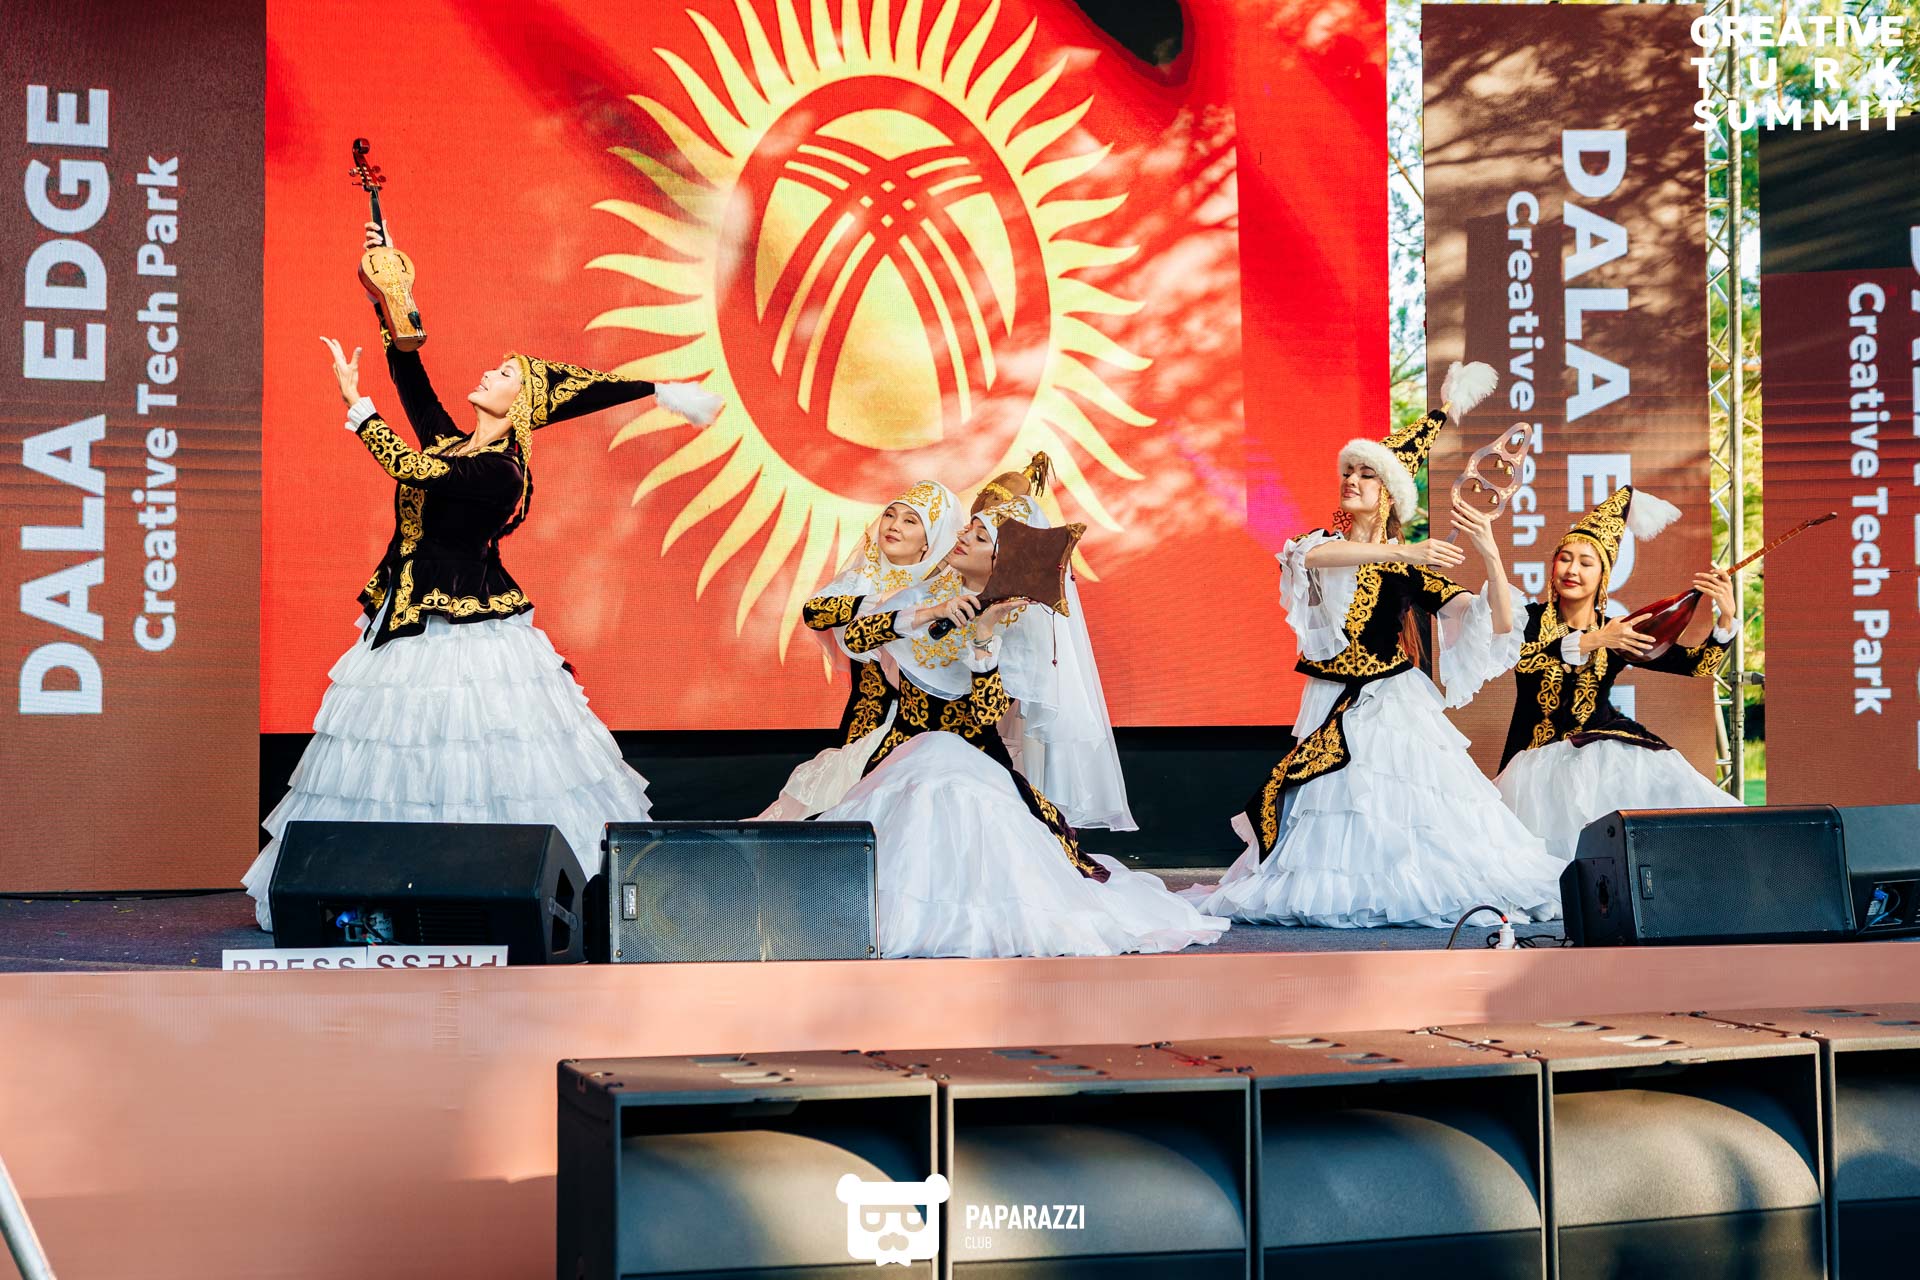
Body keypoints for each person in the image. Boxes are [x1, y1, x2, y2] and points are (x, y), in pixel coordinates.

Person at [243, 222, 721, 932]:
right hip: (407, 620)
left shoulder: (501, 472)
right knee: (404, 759)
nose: (488, 374)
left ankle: (489, 894)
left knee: (473, 755)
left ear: (520, 404)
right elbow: (413, 380)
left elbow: (410, 466)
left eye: (503, 375)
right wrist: (389, 291)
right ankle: (387, 896)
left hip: (464, 630)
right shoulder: (458, 443)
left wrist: (356, 408)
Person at [1192, 370, 1566, 928]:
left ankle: (1402, 888)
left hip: (1390, 700)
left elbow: (1496, 622)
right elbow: (1310, 559)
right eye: (1349, 471)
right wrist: (1404, 553)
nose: (1353, 480)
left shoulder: (1411, 568)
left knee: (1391, 798)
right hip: (1332, 698)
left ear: (1389, 492)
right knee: (1337, 804)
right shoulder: (1323, 545)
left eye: (1368, 474)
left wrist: (1488, 551)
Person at [810, 498, 1221, 957]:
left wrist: (984, 635)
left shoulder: (1016, 621)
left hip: (970, 756)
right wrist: (928, 613)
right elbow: (858, 636)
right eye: (967, 529)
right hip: (900, 751)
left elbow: (985, 714)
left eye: (978, 537)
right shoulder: (930, 592)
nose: (962, 537)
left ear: (1000, 559)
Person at [1494, 485, 1741, 857]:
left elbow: (1698, 665)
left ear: (1603, 575)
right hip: (1534, 764)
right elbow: (1523, 660)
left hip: (1601, 758)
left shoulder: (1619, 631)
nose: (1572, 570)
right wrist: (1595, 639)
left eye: (1586, 563)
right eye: (1564, 559)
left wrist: (1726, 617)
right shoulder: (1526, 620)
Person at [756, 480, 961, 820]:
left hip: (927, 728)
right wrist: (880, 601)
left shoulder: (945, 593)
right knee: (848, 807)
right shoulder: (863, 579)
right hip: (866, 721)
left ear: (930, 539)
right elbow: (815, 612)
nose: (894, 525)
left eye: (910, 520)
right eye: (890, 515)